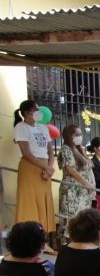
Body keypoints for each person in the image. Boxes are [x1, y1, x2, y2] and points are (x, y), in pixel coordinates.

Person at [12, 99, 56, 254]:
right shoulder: (21, 127)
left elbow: (50, 151)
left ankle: (43, 243)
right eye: (35, 109)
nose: (39, 112)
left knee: (44, 204)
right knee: (31, 204)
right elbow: (27, 153)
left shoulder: (43, 127)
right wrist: (45, 167)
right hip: (31, 167)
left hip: (44, 169)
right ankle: (30, 243)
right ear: (26, 112)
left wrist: (49, 167)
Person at [57, 124, 95, 242]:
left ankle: (80, 242)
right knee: (70, 218)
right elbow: (71, 169)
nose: (79, 137)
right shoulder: (66, 149)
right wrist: (86, 183)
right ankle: (67, 244)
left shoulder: (79, 149)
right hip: (72, 191)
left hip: (83, 193)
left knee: (82, 219)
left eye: (80, 134)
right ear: (69, 136)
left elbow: (88, 167)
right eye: (76, 134)